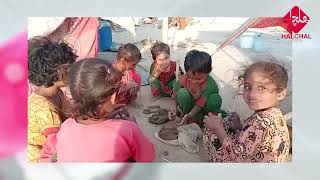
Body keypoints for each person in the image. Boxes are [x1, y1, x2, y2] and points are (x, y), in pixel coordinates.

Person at [41, 58, 155, 162]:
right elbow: (148, 157)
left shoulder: (66, 126)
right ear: (112, 97)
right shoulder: (127, 130)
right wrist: (134, 126)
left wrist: (106, 116)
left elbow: (49, 157)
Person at [203, 62, 290, 163]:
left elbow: (236, 156)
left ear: (280, 94)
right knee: (227, 125)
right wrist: (240, 127)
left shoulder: (259, 122)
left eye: (262, 88)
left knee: (210, 132)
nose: (252, 94)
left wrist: (217, 128)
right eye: (247, 87)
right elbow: (257, 138)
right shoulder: (275, 114)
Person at [28, 39, 77, 162]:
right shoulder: (44, 109)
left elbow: (70, 114)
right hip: (39, 159)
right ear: (61, 73)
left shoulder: (56, 93)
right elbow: (56, 147)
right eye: (71, 68)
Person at [170, 50, 225, 128]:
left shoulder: (211, 85)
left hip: (204, 109)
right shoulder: (184, 78)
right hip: (189, 108)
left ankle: (206, 121)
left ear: (209, 72)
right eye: (190, 78)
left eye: (198, 79)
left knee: (215, 99)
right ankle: (186, 116)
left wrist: (190, 115)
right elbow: (175, 91)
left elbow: (199, 105)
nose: (194, 81)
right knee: (182, 93)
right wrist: (173, 105)